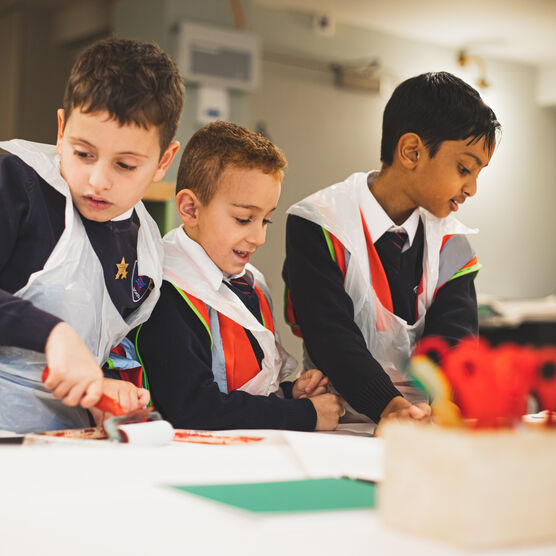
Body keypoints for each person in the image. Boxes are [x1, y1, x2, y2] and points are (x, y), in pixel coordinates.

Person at [283, 71, 501, 431]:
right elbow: (331, 336)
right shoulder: (319, 223)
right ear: (412, 151)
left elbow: (453, 339)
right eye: (464, 168)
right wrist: (390, 406)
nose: (472, 188)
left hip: (423, 423)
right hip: (339, 423)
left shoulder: (453, 244)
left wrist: (440, 405)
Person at [0, 37, 184, 433]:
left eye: (125, 164)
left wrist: (102, 392)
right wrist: (53, 334)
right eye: (84, 154)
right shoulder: (17, 186)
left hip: (63, 439)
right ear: (62, 130)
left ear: (163, 161)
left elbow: (105, 350)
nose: (98, 181)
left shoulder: (144, 246)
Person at [135, 121, 345, 431]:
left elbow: (238, 393)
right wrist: (304, 415)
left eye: (266, 221)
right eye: (244, 219)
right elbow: (191, 409)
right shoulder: (167, 290)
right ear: (190, 209)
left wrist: (289, 395)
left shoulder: (250, 283)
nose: (259, 237)